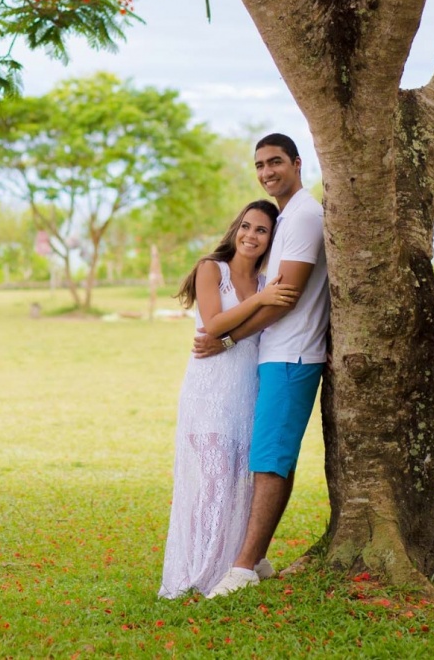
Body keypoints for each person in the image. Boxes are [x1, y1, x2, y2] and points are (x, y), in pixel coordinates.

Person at [193, 133, 331, 599]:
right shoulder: (286, 216)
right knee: (273, 458)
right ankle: (260, 556)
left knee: (270, 461)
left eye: (276, 162)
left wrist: (230, 338)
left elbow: (286, 300)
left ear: (296, 163)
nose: (268, 171)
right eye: (260, 165)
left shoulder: (305, 215)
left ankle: (243, 568)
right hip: (275, 354)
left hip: (292, 353)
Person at [158, 200, 300, 598]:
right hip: (210, 387)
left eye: (261, 231)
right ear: (235, 228)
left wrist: (264, 294)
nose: (251, 236)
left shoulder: (265, 279)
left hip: (246, 387)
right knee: (212, 478)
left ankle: (234, 563)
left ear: (271, 240)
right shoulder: (211, 269)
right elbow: (214, 323)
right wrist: (260, 299)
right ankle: (198, 569)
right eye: (247, 226)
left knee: (239, 478)